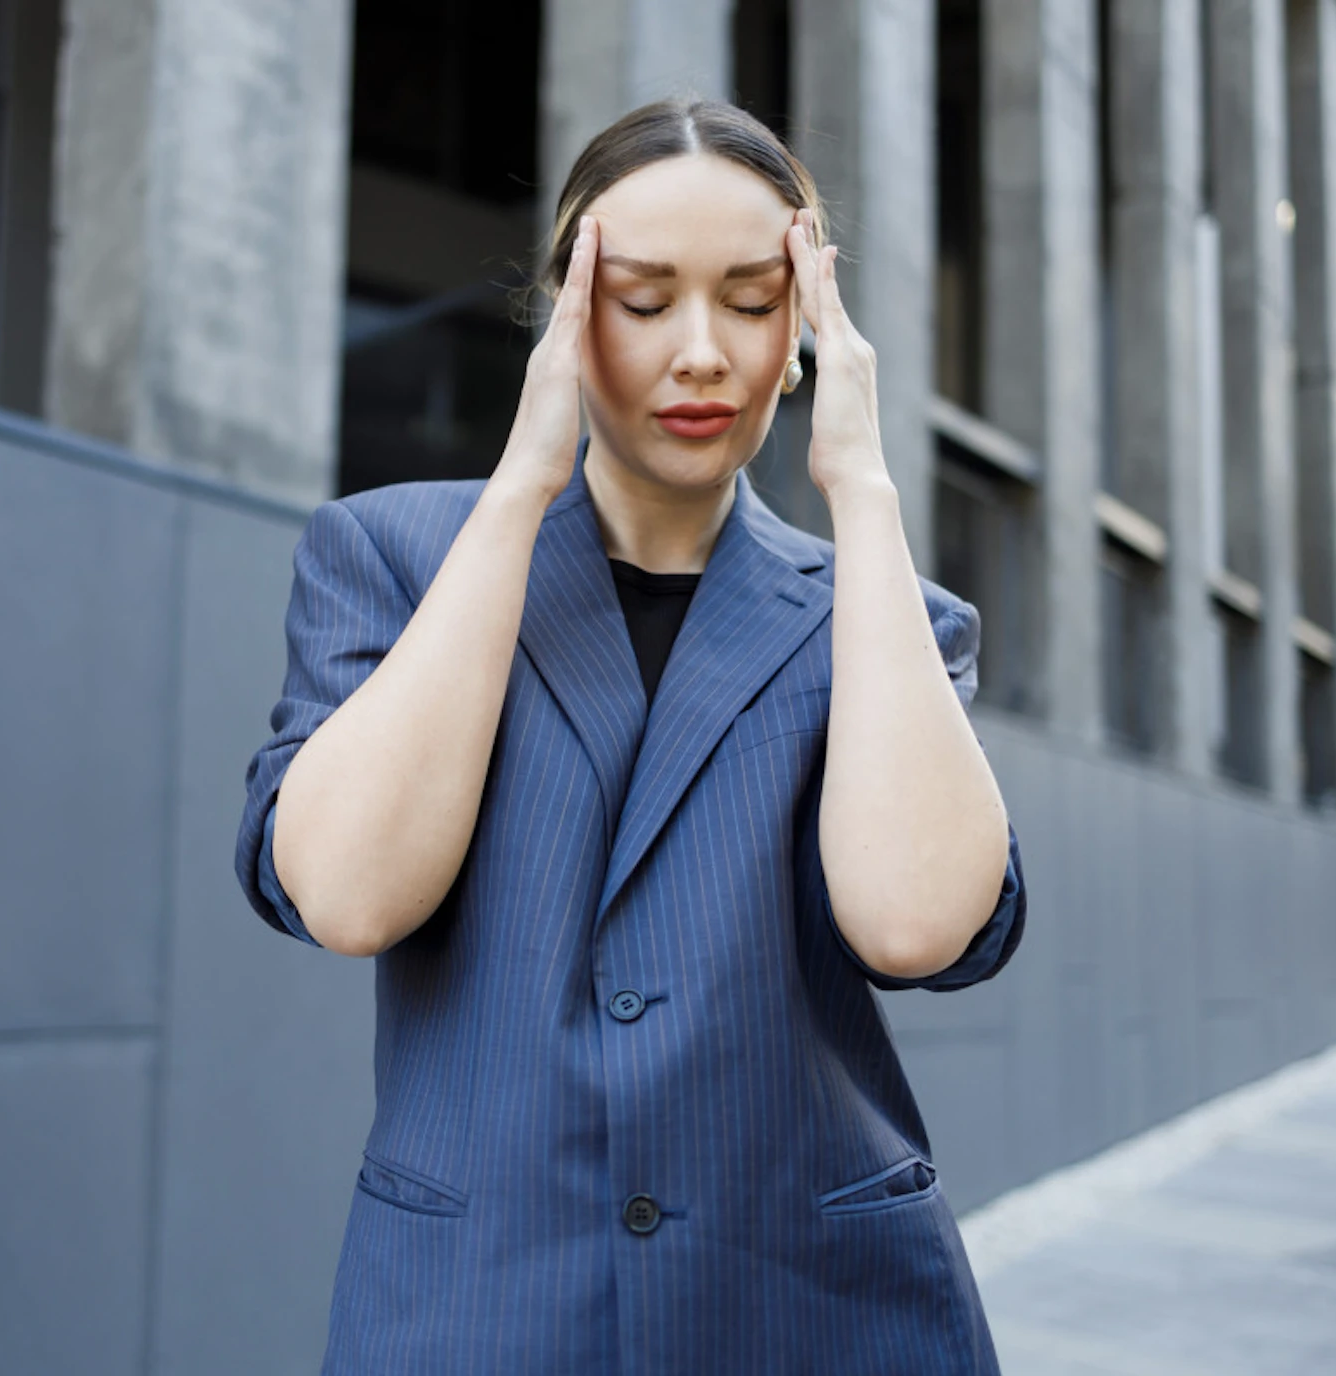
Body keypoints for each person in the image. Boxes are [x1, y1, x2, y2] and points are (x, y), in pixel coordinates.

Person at [235, 96, 1026, 1374]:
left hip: (820, 1313)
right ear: (565, 309)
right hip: (486, 1312)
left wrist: (862, 493)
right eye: (643, 300)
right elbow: (345, 893)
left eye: (754, 300)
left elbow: (915, 923)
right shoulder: (390, 555)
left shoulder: (886, 615)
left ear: (808, 328)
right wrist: (519, 488)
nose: (702, 352)